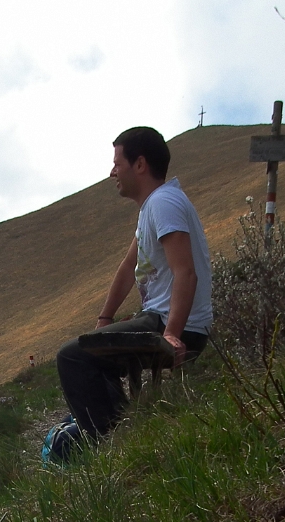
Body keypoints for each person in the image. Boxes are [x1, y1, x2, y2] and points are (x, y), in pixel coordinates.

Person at [52, 126, 213, 451]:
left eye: (118, 163)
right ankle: (124, 433)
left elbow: (187, 273)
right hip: (163, 320)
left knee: (72, 358)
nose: (112, 172)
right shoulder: (153, 207)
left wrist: (172, 334)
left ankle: (110, 449)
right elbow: (128, 268)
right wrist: (104, 319)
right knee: (92, 352)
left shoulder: (163, 203)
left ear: (139, 165)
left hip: (175, 325)